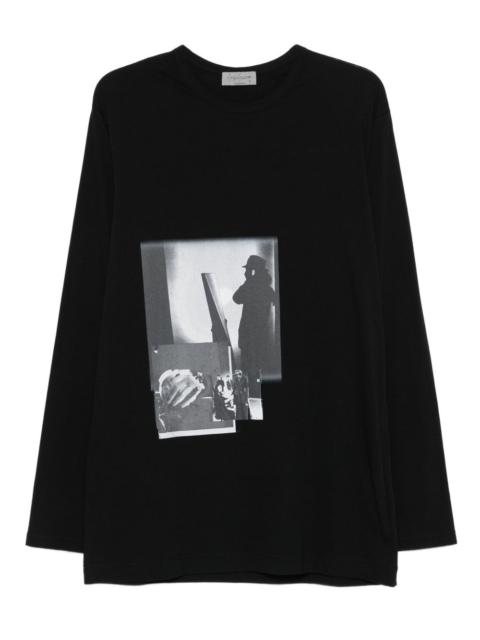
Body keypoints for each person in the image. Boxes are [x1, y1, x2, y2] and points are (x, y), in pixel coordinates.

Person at [233, 255, 275, 396]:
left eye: (249, 270)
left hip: (250, 337)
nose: (247, 272)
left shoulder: (251, 287)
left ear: (253, 271)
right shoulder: (267, 288)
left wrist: (248, 280)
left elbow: (236, 298)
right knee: (256, 371)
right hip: (260, 337)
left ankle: (252, 396)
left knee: (250, 371)